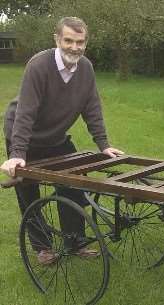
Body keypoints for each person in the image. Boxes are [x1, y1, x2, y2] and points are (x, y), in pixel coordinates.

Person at [1, 17, 123, 265]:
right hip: (25, 135)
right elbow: (25, 113)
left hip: (56, 138)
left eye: (80, 42)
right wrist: (17, 153)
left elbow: (92, 108)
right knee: (29, 194)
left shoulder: (86, 68)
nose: (74, 47)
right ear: (57, 39)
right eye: (68, 40)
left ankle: (75, 241)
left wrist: (103, 145)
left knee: (73, 186)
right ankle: (42, 248)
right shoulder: (39, 66)